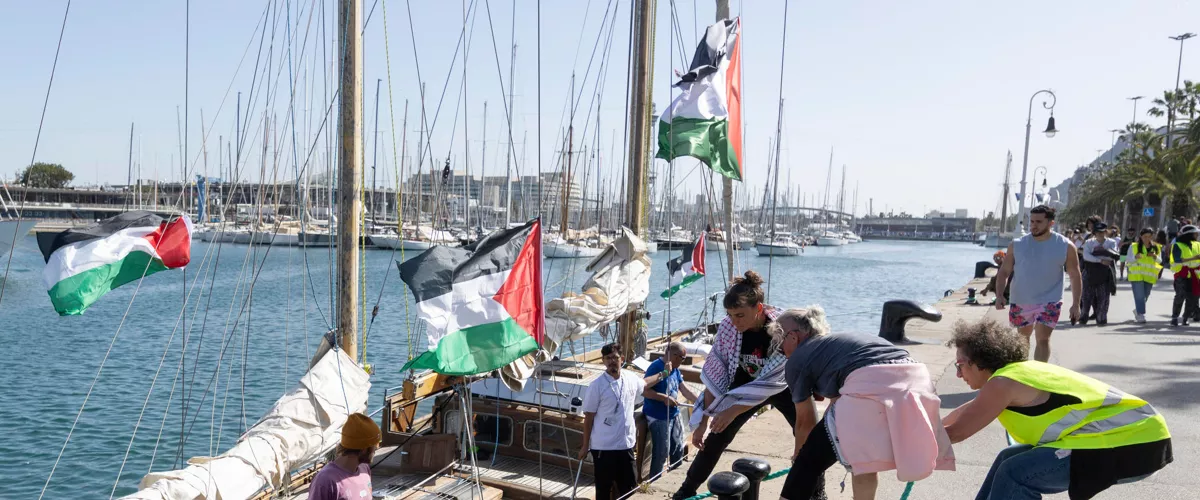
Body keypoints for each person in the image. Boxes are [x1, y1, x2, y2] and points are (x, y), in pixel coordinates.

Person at [943, 318, 1173, 499]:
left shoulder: (1003, 383)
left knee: (1015, 472)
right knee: (1009, 457)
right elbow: (961, 414)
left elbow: (957, 432)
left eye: (960, 365)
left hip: (1135, 443)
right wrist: (921, 429)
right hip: (1139, 438)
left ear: (980, 361)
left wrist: (911, 447)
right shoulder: (1015, 375)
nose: (957, 374)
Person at [672, 271, 827, 500]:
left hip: (783, 383)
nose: (735, 322)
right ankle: (686, 490)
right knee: (717, 435)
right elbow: (717, 374)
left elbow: (776, 376)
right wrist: (704, 420)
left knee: (810, 438)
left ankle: (818, 493)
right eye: (731, 315)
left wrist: (733, 410)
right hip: (745, 384)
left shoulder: (780, 326)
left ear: (759, 308)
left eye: (741, 315)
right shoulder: (728, 328)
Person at [775, 306, 955, 500]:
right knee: (864, 462)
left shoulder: (798, 359)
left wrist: (798, 457)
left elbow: (805, 422)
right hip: (916, 382)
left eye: (778, 343)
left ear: (793, 337)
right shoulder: (837, 344)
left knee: (808, 462)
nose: (779, 350)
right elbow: (838, 405)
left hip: (872, 385)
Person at [994, 205, 1082, 362]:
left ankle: (1038, 376)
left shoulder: (1065, 246)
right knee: (1022, 339)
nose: (1033, 225)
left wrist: (1076, 304)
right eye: (1032, 221)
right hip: (1021, 299)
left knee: (1042, 338)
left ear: (1051, 223)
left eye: (1039, 222)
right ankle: (1023, 375)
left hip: (1050, 300)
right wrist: (999, 295)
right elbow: (1004, 272)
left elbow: (1075, 275)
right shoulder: (1017, 244)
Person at [580, 342, 649, 500]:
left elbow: (645, 384)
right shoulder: (596, 386)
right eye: (608, 358)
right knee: (604, 490)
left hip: (626, 446)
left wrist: (664, 373)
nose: (612, 361)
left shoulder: (631, 378)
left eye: (615, 358)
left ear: (622, 359)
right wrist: (585, 446)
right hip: (604, 449)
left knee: (630, 488)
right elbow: (588, 417)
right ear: (603, 361)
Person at [642, 342, 700, 479]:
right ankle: (654, 480)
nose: (682, 361)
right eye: (682, 358)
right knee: (662, 451)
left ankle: (675, 477)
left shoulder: (675, 369)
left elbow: (684, 389)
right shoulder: (656, 367)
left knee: (678, 446)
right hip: (658, 416)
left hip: (673, 413)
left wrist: (700, 402)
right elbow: (643, 390)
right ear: (673, 355)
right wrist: (662, 398)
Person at [309, 413, 381, 500]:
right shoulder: (325, 480)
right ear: (364, 449)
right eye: (375, 445)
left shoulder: (364, 469)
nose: (377, 448)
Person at [1079, 222, 1118, 325]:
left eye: (1103, 232)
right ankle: (1084, 316)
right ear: (1094, 232)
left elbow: (1112, 256)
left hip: (1105, 272)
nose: (1100, 234)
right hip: (1090, 271)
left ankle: (1101, 317)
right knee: (1086, 296)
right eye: (1098, 232)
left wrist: (1099, 255)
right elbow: (1086, 256)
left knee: (1103, 297)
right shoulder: (1088, 242)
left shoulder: (1111, 242)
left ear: (1106, 232)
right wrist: (1100, 259)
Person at [1127, 228, 1163, 323]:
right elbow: (1128, 259)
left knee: (1145, 296)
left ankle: (1137, 310)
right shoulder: (1134, 246)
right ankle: (1141, 314)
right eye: (1145, 237)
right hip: (1137, 275)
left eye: (1149, 236)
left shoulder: (1156, 247)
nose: (1147, 239)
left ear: (1152, 236)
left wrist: (1155, 256)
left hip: (1149, 276)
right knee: (1139, 295)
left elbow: (1160, 261)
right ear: (1141, 237)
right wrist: (1135, 257)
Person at [1168, 225, 1200, 326]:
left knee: (1193, 297)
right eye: (1195, 233)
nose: (1197, 235)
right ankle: (1175, 317)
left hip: (1195, 274)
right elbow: (1178, 259)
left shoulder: (1197, 245)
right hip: (1182, 274)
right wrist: (1194, 258)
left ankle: (1185, 317)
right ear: (1189, 234)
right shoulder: (1177, 245)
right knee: (1180, 295)